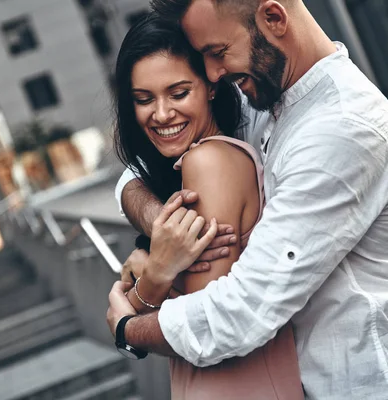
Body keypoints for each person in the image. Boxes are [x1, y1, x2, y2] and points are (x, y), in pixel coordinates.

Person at [107, 0, 388, 399]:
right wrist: (164, 227)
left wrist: (128, 325)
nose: (214, 74)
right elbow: (135, 175)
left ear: (273, 18)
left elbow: (241, 313)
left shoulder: (341, 127)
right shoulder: (266, 98)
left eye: (217, 53)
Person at [112, 14, 303, 399]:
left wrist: (135, 298)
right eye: (144, 99)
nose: (162, 114)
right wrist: (154, 249)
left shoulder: (209, 163)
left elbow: (205, 325)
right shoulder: (195, 164)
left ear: (210, 88)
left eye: (179, 93)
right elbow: (129, 182)